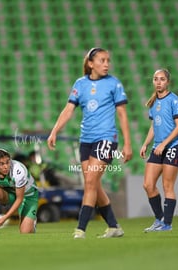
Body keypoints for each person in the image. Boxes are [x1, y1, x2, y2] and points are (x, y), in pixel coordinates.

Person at [47, 47, 132, 239]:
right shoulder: (80, 84)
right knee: (93, 184)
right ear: (90, 64)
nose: (107, 64)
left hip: (106, 139)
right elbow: (68, 109)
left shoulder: (114, 84)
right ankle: (113, 226)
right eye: (102, 60)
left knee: (91, 182)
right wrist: (54, 131)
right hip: (86, 140)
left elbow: (122, 114)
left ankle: (80, 229)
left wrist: (127, 144)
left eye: (108, 60)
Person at [140, 69, 178, 232]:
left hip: (173, 147)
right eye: (155, 79)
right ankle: (159, 219)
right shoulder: (154, 103)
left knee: (167, 186)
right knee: (148, 185)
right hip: (157, 147)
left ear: (168, 82)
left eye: (162, 79)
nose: (158, 82)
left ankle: (167, 224)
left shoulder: (174, 101)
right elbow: (154, 126)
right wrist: (145, 143)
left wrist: (164, 144)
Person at [0, 149, 39, 234]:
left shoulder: (18, 171)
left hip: (28, 196)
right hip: (10, 193)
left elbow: (20, 198)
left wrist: (5, 218)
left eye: (8, 162)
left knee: (25, 232)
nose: (6, 166)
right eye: (1, 164)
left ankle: (31, 223)